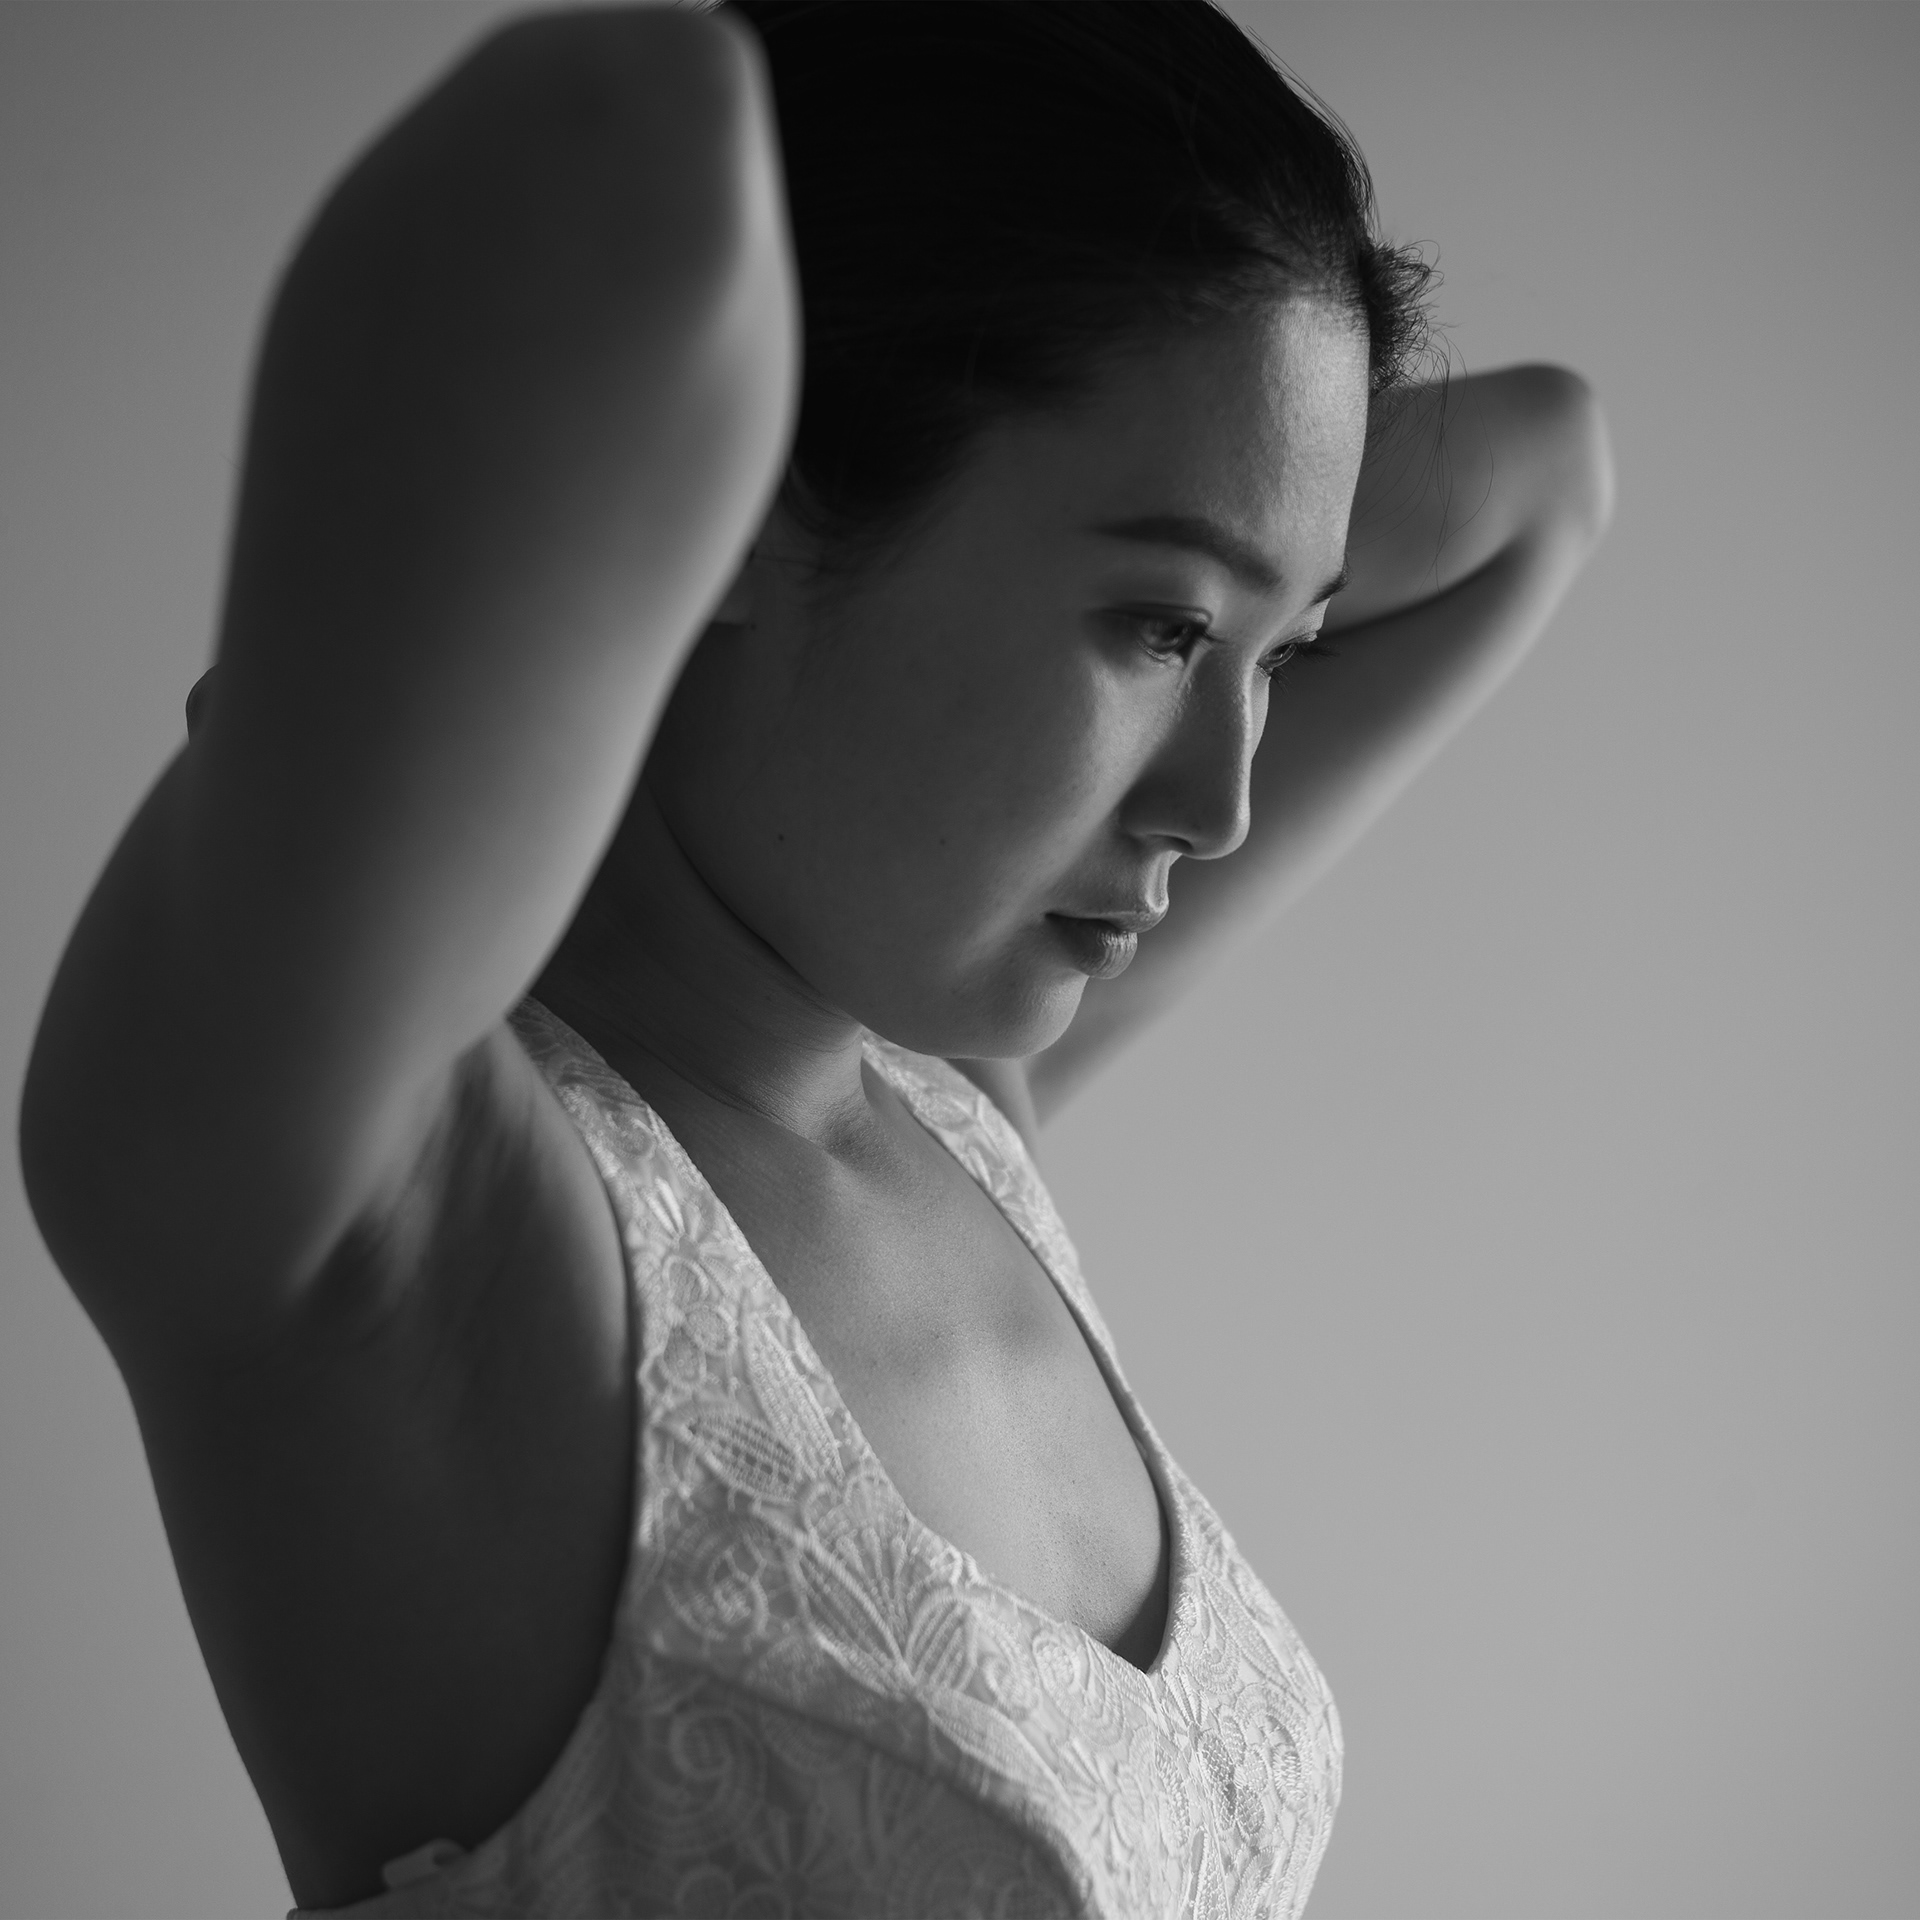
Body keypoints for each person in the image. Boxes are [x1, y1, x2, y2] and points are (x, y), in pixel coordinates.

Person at [19, 3, 1612, 1914]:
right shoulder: (390, 1209)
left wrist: (1231, 480)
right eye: (1163, 632)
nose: (1222, 803)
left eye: (1287, 655)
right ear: (750, 507)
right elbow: (608, 131)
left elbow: (1548, 470)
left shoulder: (956, 1110)